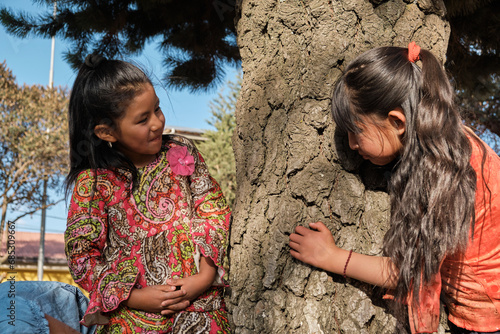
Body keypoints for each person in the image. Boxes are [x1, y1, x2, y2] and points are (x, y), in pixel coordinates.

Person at [289, 42, 500, 334]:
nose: (351, 144)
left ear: (396, 122)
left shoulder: (444, 169)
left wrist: (331, 257)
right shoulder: (446, 144)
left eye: (356, 131)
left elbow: (412, 272)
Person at [64, 54, 231, 333]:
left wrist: (204, 277)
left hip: (204, 309)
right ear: (107, 132)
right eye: (142, 119)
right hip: (132, 320)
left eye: (157, 109)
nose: (157, 123)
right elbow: (82, 258)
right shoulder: (93, 184)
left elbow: (213, 210)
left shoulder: (181, 151)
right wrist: (135, 297)